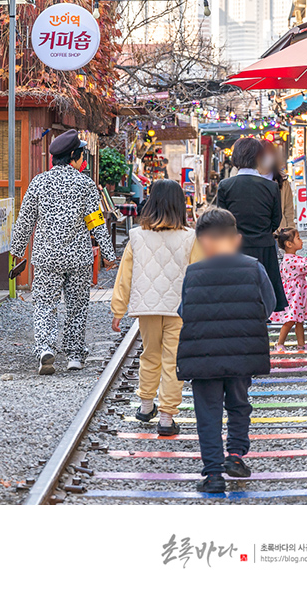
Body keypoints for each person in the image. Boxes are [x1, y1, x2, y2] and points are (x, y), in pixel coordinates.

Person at [176, 208, 276, 493]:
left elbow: (185, 311)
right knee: (239, 403)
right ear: (236, 238)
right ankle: (234, 455)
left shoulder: (193, 273)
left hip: (203, 355)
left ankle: (213, 475)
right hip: (242, 350)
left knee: (207, 412)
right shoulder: (254, 267)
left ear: (203, 242)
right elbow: (267, 306)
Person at [10, 129, 116, 375]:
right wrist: (108, 254)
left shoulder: (39, 182)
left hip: (46, 257)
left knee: (45, 305)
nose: (83, 161)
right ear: (72, 156)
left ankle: (45, 349)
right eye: (81, 156)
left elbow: (25, 220)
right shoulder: (86, 185)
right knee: (77, 306)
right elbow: (96, 222)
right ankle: (75, 355)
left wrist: (17, 250)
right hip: (78, 257)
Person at [111, 179, 202, 436]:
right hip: (179, 310)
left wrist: (118, 309)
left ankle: (145, 405)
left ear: (150, 203)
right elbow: (199, 275)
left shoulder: (137, 237)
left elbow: (124, 275)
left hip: (147, 308)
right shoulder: (190, 238)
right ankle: (165, 418)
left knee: (150, 354)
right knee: (173, 361)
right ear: (179, 206)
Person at [215, 136, 288, 311]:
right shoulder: (270, 187)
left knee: (237, 298)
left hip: (235, 249)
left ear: (235, 159)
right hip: (264, 247)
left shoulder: (225, 186)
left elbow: (221, 221)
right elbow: (275, 220)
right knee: (263, 299)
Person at [271, 227, 307, 352]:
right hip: (293, 297)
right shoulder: (291, 261)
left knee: (299, 320)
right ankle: (280, 343)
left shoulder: (291, 259)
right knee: (290, 321)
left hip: (297, 296)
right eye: (298, 238)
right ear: (289, 244)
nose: (301, 240)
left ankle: (301, 344)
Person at [260, 139, 295, 230]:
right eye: (263, 154)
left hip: (279, 231)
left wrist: (290, 229)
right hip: (258, 231)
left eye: (270, 153)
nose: (267, 157)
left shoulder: (282, 181)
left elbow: (289, 210)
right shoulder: (251, 180)